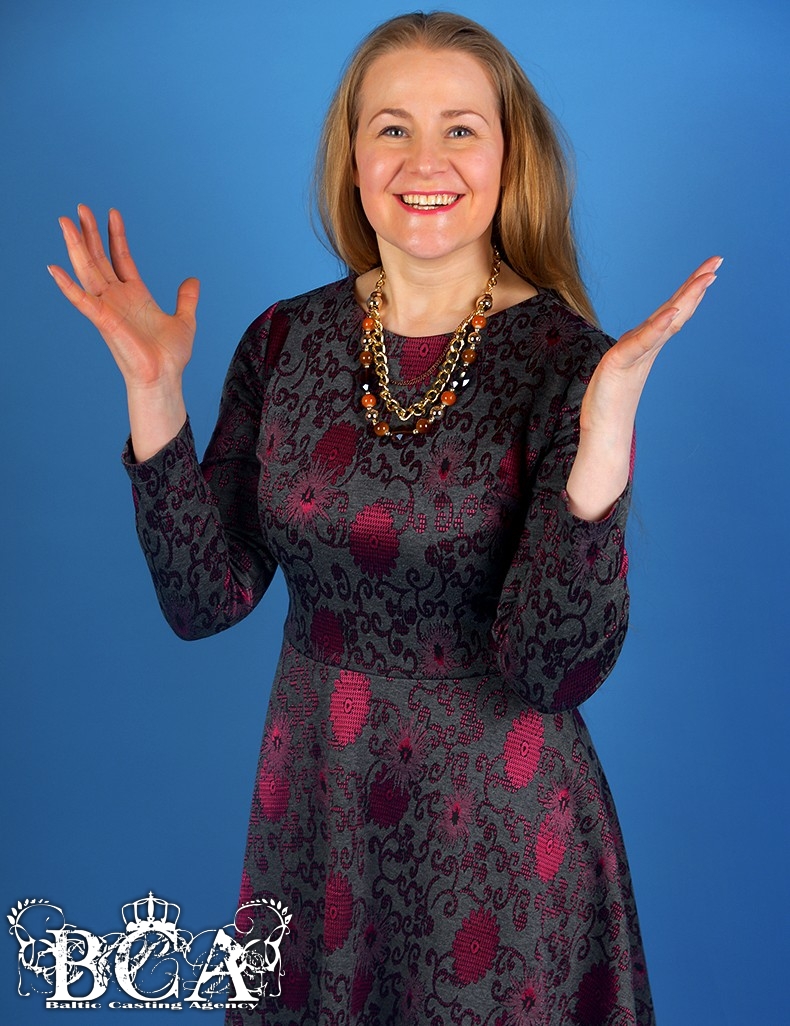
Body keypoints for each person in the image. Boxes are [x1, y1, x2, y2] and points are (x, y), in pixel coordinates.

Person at [49, 11, 718, 1025]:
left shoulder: (569, 362)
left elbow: (553, 670)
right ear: (353, 157)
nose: (424, 161)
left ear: (509, 157)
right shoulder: (283, 340)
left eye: (461, 129)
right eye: (392, 128)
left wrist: (605, 438)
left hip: (498, 831)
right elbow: (204, 600)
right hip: (317, 812)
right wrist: (153, 392)